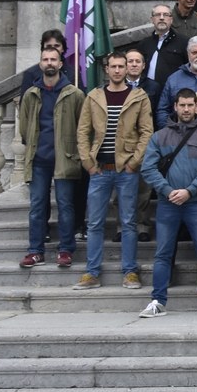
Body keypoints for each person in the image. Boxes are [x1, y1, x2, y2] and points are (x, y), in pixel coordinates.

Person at [137, 88, 197, 318]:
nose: (186, 109)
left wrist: (189, 190)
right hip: (168, 204)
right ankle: (158, 300)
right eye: (182, 105)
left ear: (196, 107)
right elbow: (148, 168)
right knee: (163, 254)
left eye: (190, 105)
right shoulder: (160, 136)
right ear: (175, 107)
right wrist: (167, 191)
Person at [74, 51, 154, 291]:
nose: (118, 70)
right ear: (106, 69)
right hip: (99, 169)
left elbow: (147, 133)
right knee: (95, 223)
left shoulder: (138, 97)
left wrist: (134, 163)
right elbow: (82, 132)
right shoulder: (94, 97)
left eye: (122, 66)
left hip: (126, 170)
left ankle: (130, 271)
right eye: (114, 66)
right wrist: (88, 162)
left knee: (129, 222)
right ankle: (91, 272)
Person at [17, 47, 83, 270]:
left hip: (64, 159)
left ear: (61, 63)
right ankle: (35, 251)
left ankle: (66, 249)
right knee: (37, 206)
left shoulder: (74, 94)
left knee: (65, 205)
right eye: (45, 59)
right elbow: (25, 128)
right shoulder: (31, 94)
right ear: (40, 64)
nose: (49, 63)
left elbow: (82, 127)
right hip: (38, 160)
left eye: (53, 59)